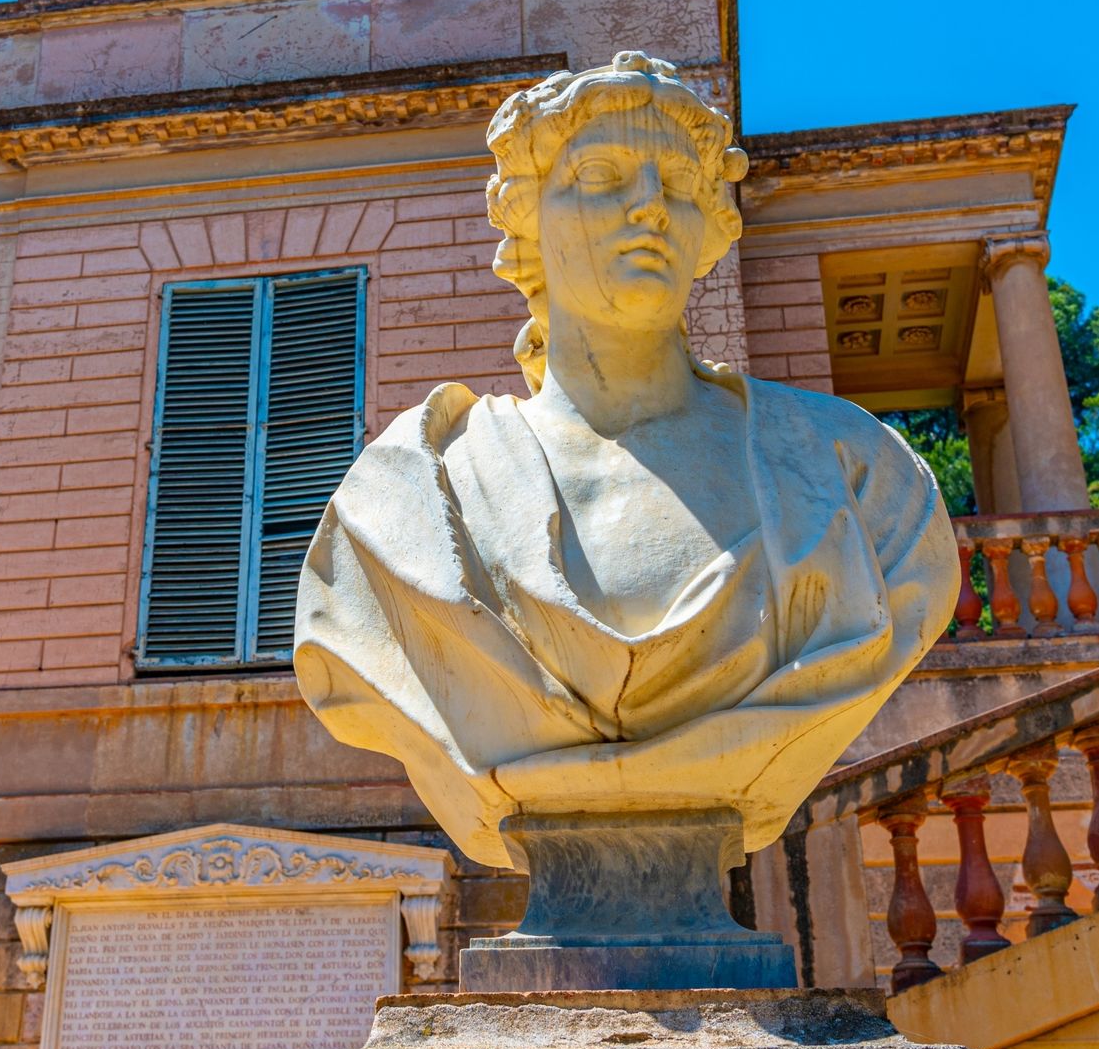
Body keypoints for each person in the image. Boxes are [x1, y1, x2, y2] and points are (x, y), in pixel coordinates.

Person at [293, 53, 957, 872]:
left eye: (680, 184)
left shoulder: (858, 473)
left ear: (711, 225)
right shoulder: (409, 495)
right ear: (529, 218)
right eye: (604, 175)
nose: (649, 206)